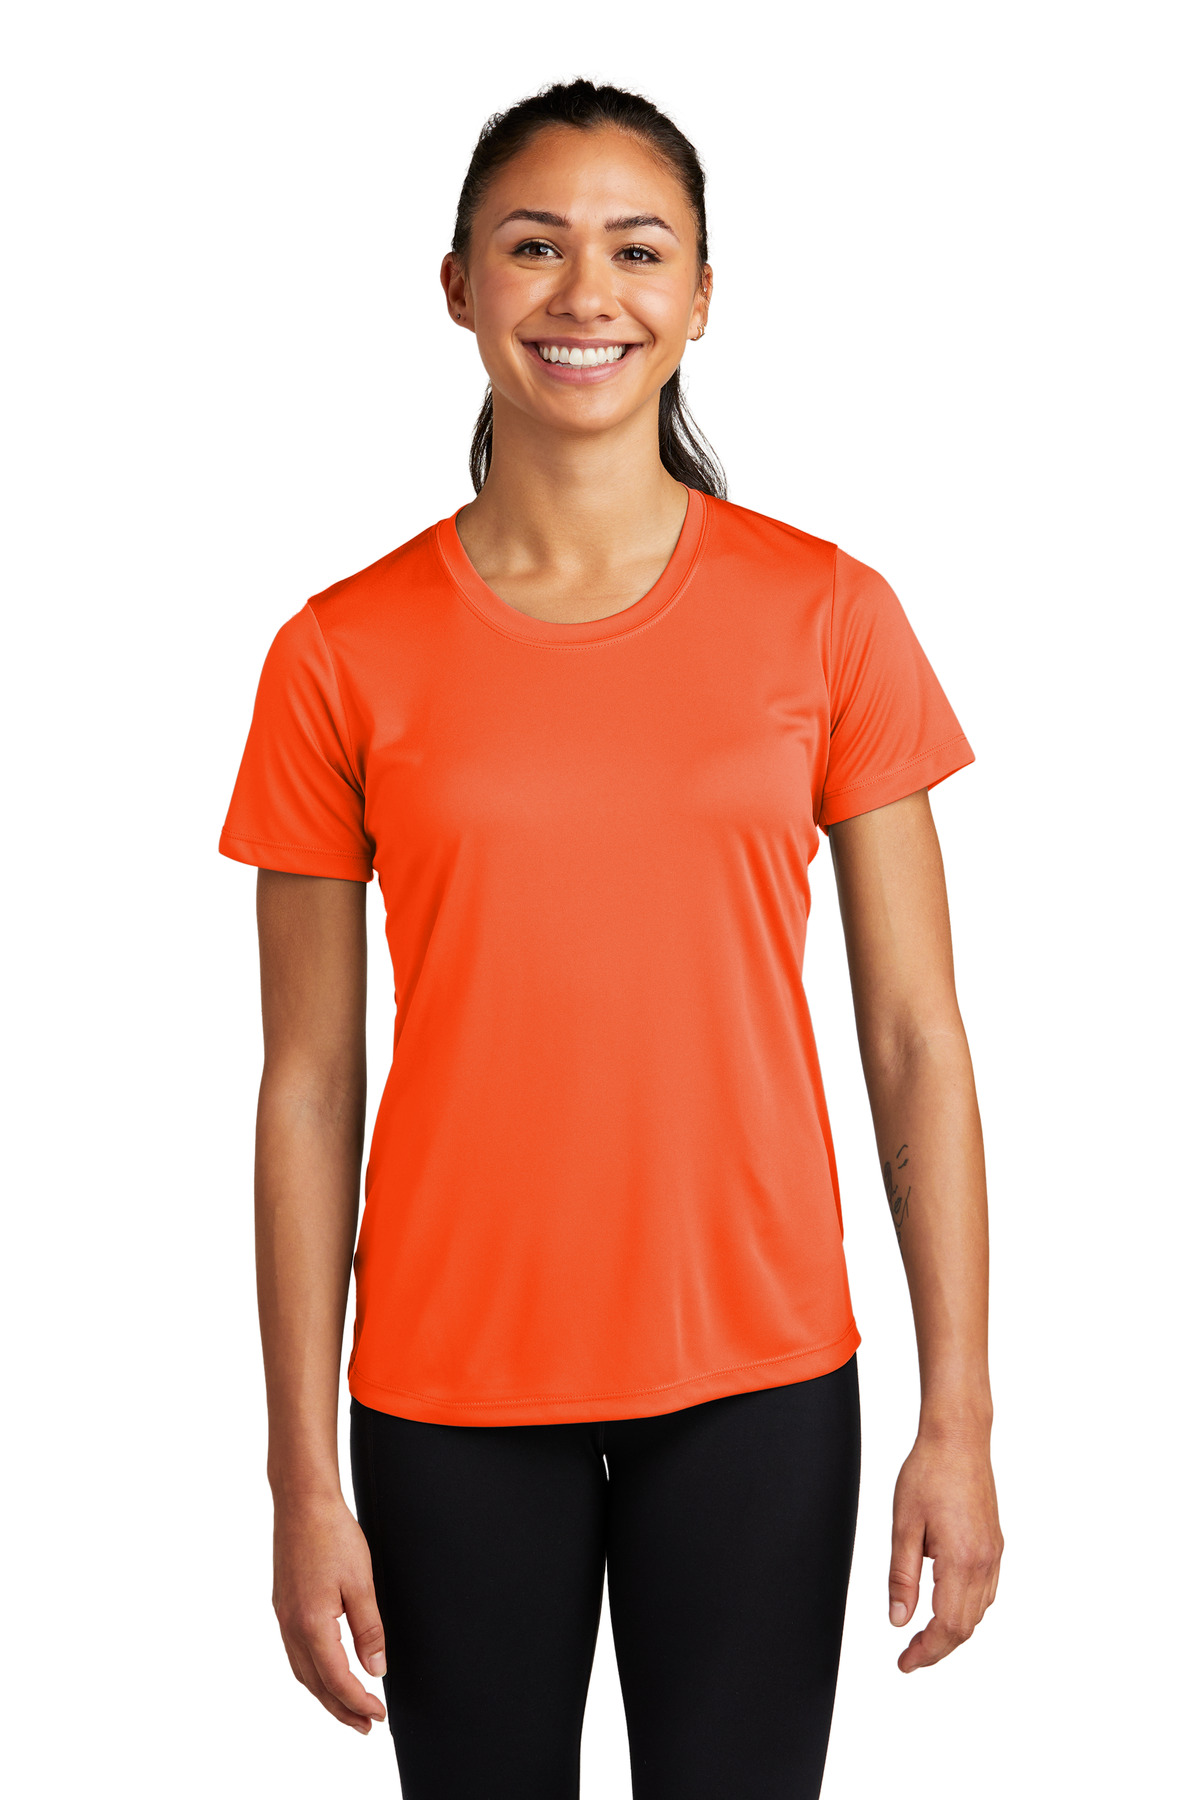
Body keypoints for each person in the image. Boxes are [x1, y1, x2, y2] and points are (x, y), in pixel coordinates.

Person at [218, 77, 1002, 1800]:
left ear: (702, 296)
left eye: (639, 251)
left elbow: (914, 1038)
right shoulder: (337, 653)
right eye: (534, 246)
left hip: (758, 1382)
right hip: (442, 1393)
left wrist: (959, 1412)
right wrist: (299, 1476)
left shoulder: (830, 615)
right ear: (456, 285)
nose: (588, 293)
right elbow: (307, 1083)